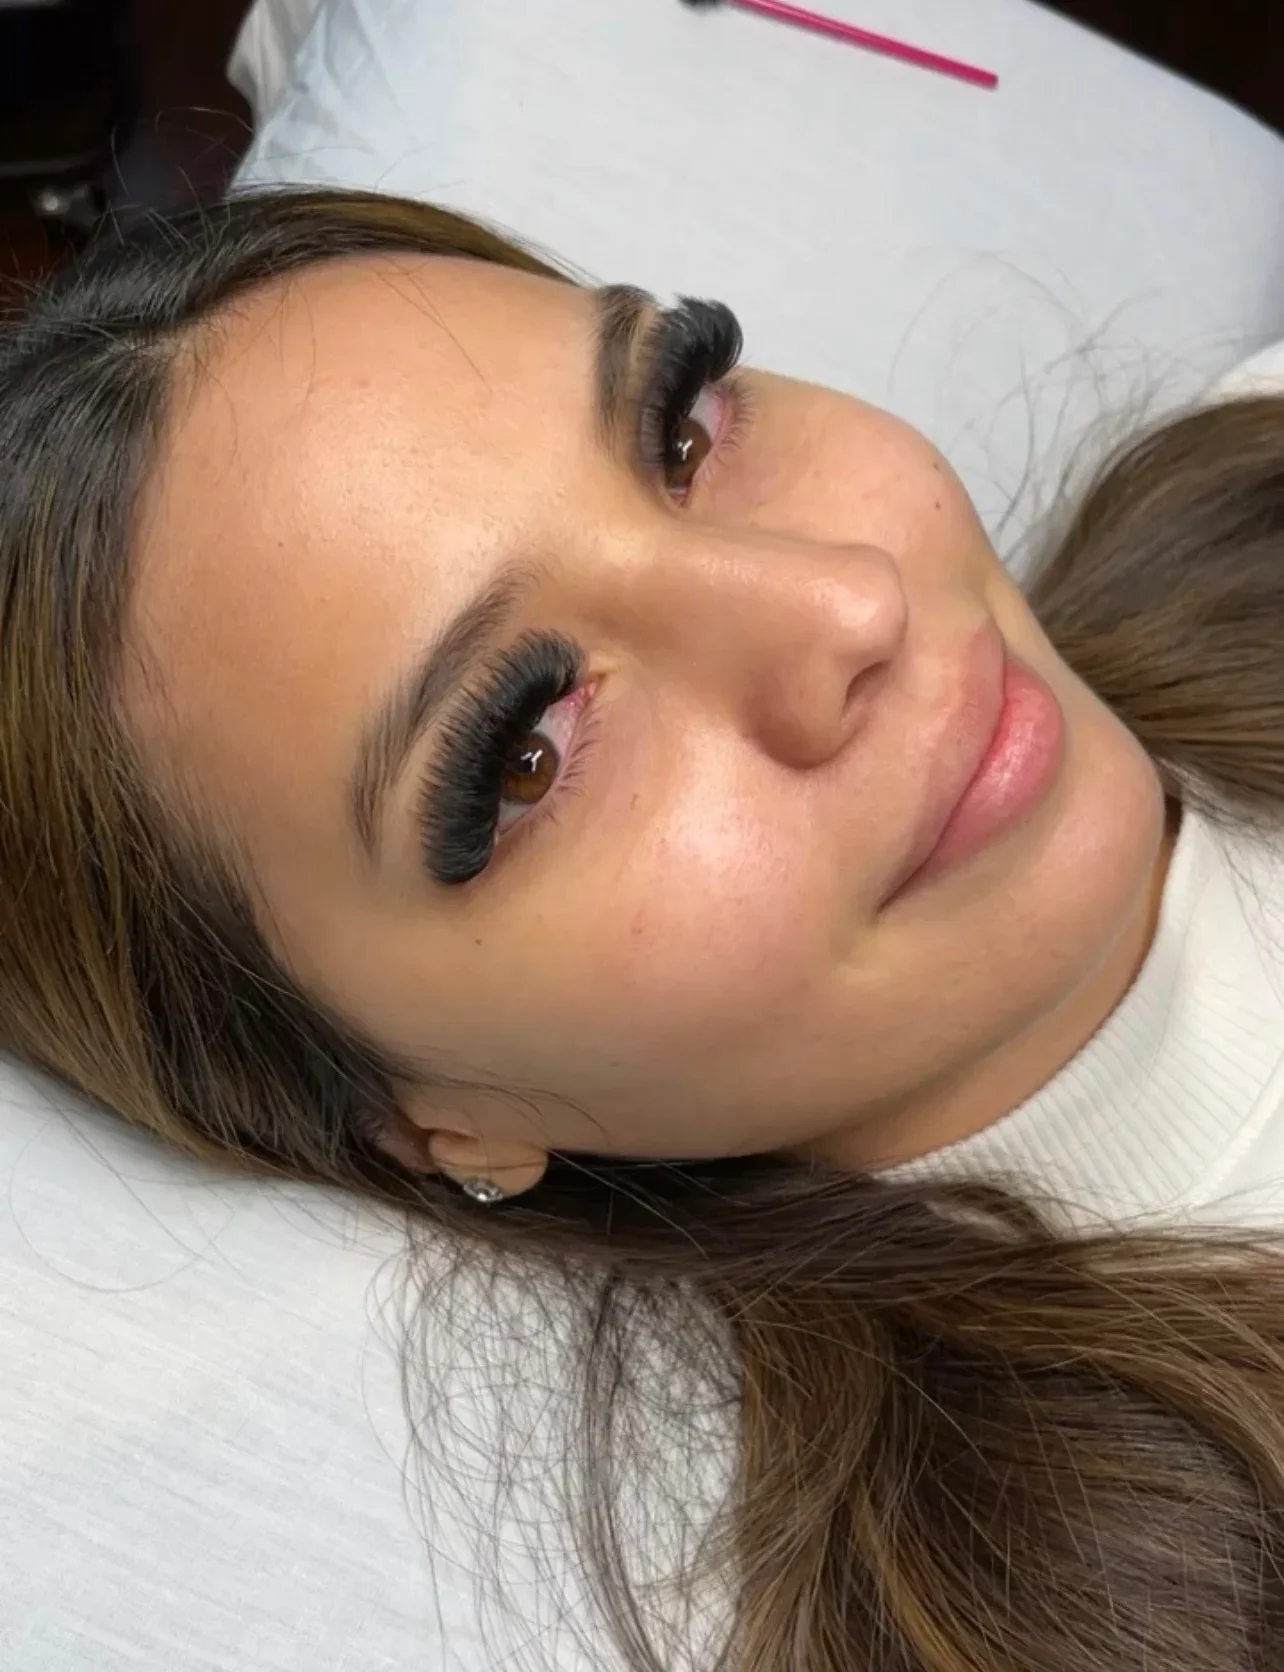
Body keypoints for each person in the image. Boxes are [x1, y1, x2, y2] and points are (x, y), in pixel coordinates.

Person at [2, 185, 1283, 1672]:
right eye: (525, 755)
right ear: (431, 1123)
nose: (845, 608)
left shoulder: (1240, 474)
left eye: (681, 432)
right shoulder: (1085, 1612)